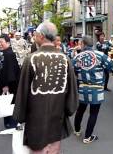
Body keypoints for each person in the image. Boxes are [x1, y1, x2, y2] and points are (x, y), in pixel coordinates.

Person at [13, 21, 79, 152]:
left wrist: (20, 116)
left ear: (41, 36)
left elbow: (23, 91)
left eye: (36, 34)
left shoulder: (31, 59)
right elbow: (72, 91)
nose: (34, 37)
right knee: (54, 149)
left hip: (35, 118)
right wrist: (69, 109)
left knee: (38, 150)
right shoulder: (65, 59)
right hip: (57, 116)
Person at [73, 36, 113, 144]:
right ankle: (87, 137)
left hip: (82, 88)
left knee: (80, 110)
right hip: (96, 89)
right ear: (92, 44)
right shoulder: (100, 55)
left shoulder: (77, 57)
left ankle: (77, 130)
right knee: (93, 113)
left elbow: (72, 71)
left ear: (83, 44)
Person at [0, 35, 20, 132]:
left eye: (1, 42)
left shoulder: (8, 54)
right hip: (9, 81)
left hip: (10, 83)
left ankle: (11, 124)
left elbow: (9, 71)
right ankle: (9, 123)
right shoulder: (5, 53)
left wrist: (5, 85)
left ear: (8, 43)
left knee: (10, 102)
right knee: (9, 102)